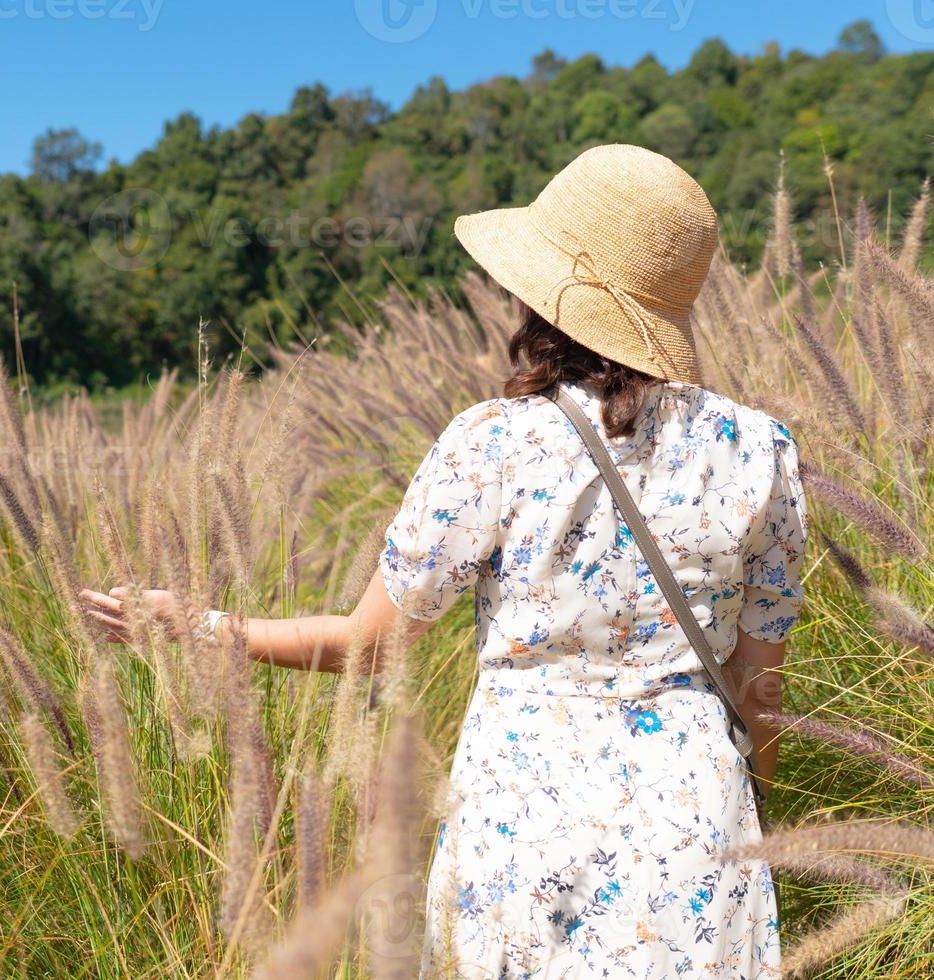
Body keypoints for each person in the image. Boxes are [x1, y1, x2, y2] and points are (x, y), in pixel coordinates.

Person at [80, 143, 807, 978]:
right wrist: (756, 813)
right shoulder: (763, 449)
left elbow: (370, 644)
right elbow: (761, 690)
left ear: (541, 293)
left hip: (524, 820)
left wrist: (201, 628)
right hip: (699, 826)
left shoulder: (494, 442)